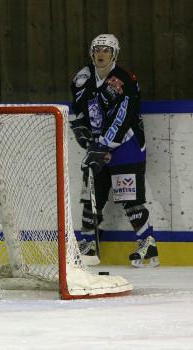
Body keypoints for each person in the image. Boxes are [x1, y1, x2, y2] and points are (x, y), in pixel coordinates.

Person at [70, 34, 159, 268]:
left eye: (106, 51)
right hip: (98, 146)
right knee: (91, 197)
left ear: (114, 54)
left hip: (126, 146)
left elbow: (123, 118)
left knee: (130, 199)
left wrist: (104, 146)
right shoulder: (82, 78)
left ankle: (147, 242)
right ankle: (87, 243)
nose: (101, 54)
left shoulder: (125, 79)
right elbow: (77, 109)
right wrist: (80, 128)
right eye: (97, 49)